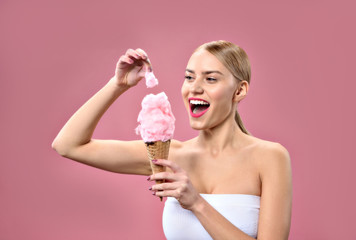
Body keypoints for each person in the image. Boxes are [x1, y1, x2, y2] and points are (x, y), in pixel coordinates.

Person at [52, 40, 292, 240]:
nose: (194, 88)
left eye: (210, 79)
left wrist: (196, 202)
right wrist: (117, 85)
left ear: (239, 90)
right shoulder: (167, 157)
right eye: (189, 77)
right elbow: (69, 145)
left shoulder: (270, 157)